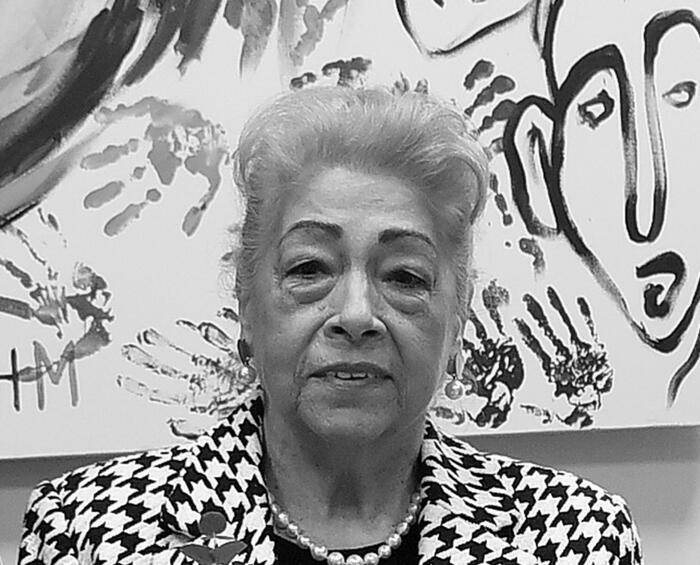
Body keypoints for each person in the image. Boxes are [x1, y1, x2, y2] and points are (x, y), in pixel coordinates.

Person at [18, 86, 643, 565]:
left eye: (405, 276)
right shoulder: (85, 530)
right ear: (246, 303)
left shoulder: (575, 537)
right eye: (310, 268)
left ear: (457, 319)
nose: (356, 315)